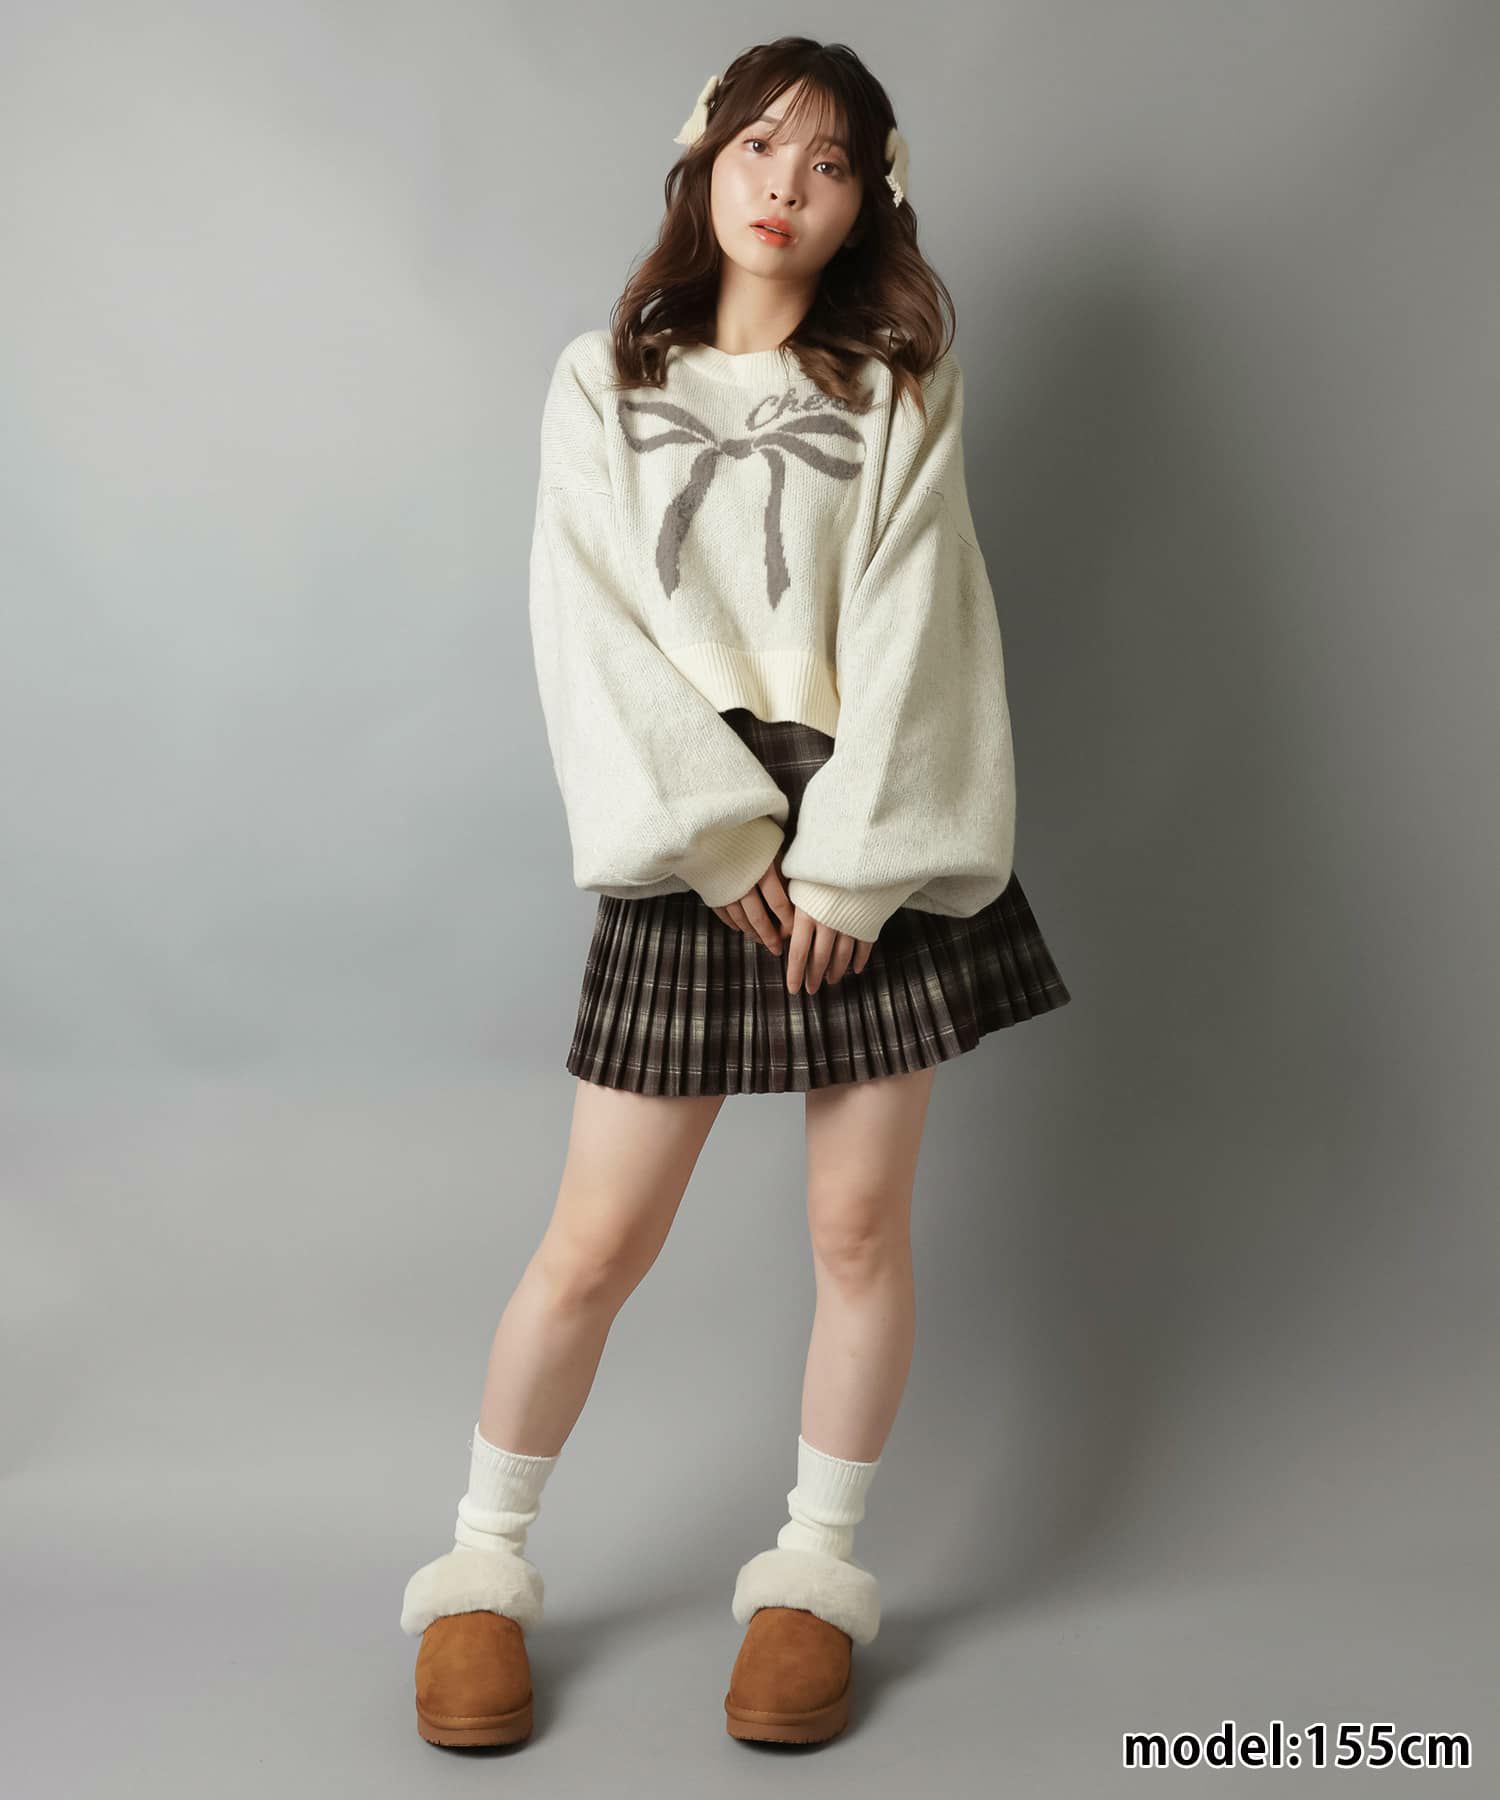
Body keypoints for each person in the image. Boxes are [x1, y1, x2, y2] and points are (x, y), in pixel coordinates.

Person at [398, 35, 1072, 1749]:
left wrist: (852, 857)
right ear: (702, 161)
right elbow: (587, 625)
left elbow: (925, 621)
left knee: (856, 1229)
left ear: (871, 204)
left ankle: (812, 1580)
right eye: (762, 146)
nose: (787, 186)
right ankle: (480, 1569)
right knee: (594, 1242)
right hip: (684, 824)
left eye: (832, 164)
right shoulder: (601, 381)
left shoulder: (899, 385)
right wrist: (716, 842)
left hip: (869, 827)